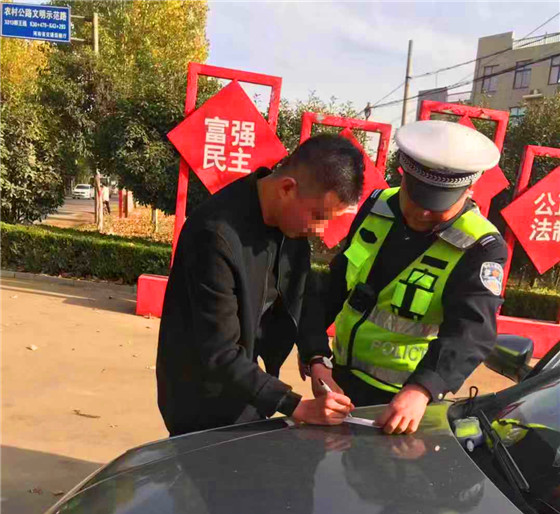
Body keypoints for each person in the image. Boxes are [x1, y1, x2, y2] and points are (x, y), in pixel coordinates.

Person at [300, 120, 508, 435]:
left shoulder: (480, 246)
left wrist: (422, 389)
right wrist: (315, 355)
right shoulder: (377, 207)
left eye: (437, 204)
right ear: (403, 175)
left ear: (469, 190)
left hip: (405, 403)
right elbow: (335, 286)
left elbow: (471, 333)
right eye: (415, 196)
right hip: (340, 382)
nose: (422, 212)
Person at [156, 134, 364, 436]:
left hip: (248, 385)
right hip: (201, 397)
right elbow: (219, 351)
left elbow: (302, 297)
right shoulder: (215, 235)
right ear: (287, 188)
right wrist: (296, 406)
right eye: (318, 216)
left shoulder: (291, 226)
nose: (320, 230)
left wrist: (317, 359)